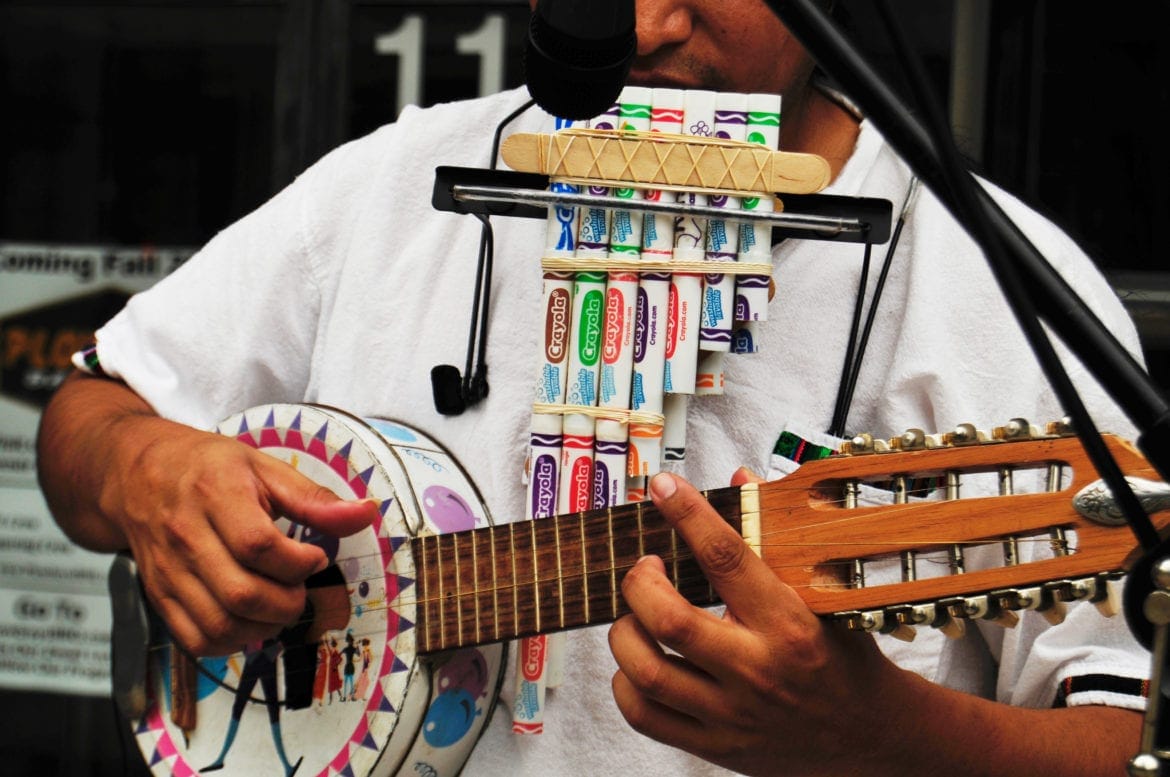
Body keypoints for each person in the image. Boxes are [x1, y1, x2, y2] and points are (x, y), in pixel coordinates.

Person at [36, 1, 1150, 775]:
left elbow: (1131, 736)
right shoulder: (393, 184)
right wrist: (146, 470)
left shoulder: (991, 282)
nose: (647, 24)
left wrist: (889, 743)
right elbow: (92, 411)